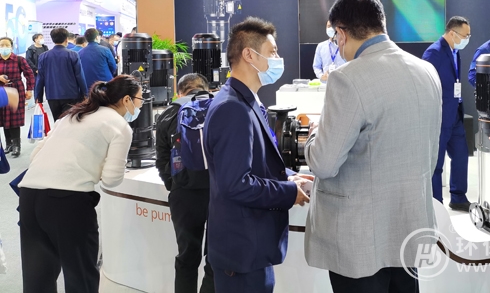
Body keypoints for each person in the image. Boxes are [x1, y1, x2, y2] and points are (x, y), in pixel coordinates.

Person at [304, 0, 442, 292]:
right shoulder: (427, 71)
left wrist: (314, 133)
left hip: (360, 238)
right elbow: (430, 154)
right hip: (409, 229)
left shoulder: (347, 77)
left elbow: (324, 163)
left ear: (341, 33)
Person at [203, 17, 310, 293]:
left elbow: (256, 163)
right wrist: (289, 192)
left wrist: (290, 177)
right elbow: (237, 183)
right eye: (272, 52)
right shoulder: (233, 109)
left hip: (250, 249)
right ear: (249, 55)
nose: (277, 59)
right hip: (242, 252)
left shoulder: (245, 101)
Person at [18, 75, 142, 293]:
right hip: (68, 203)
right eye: (139, 100)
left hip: (29, 196)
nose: (140, 105)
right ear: (126, 100)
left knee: (38, 278)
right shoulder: (119, 126)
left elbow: (35, 155)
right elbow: (111, 179)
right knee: (81, 276)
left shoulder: (72, 115)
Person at [155, 73, 215, 293]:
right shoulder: (221, 107)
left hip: (184, 195)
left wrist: (173, 184)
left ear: (179, 92)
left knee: (187, 257)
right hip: (219, 193)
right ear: (206, 88)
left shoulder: (168, 114)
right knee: (216, 258)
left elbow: (162, 158)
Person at [422, 16, 471, 211]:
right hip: (439, 116)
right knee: (437, 162)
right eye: (465, 35)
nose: (467, 39)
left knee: (461, 156)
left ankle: (458, 197)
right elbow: (425, 84)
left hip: (455, 114)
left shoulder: (455, 51)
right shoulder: (433, 53)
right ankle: (436, 204)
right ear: (452, 33)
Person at [35, 28, 88, 121]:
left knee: (57, 121)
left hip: (52, 94)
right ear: (66, 39)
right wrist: (85, 93)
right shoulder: (73, 55)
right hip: (71, 94)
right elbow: (79, 75)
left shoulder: (43, 56)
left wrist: (38, 97)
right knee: (69, 121)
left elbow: (40, 78)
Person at [0, 37, 35, 157]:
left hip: (15, 89)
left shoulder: (19, 60)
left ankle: (16, 145)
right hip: (1, 91)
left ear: (11, 46)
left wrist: (29, 89)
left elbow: (29, 74)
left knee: (14, 117)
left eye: (7, 45)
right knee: (3, 117)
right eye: (2, 45)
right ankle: (8, 144)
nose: (4, 47)